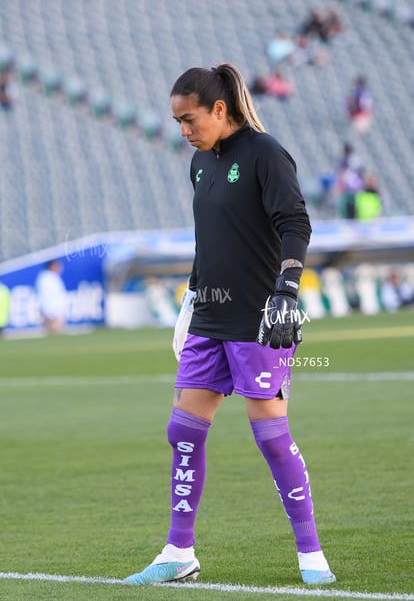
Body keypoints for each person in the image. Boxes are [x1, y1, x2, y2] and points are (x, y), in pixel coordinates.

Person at [124, 63, 336, 587]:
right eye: (177, 122)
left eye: (190, 118)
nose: (184, 131)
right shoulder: (199, 163)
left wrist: (287, 291)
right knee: (182, 431)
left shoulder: (265, 153)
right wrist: (191, 297)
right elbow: (209, 237)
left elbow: (295, 223)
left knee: (269, 434)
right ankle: (179, 551)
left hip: (259, 317)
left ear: (220, 109)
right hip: (210, 316)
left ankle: (311, 554)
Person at [35, 259, 67, 333]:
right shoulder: (46, 278)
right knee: (54, 332)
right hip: (52, 312)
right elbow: (48, 297)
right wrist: (52, 312)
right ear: (52, 266)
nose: (60, 268)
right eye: (57, 266)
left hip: (54, 311)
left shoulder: (52, 277)